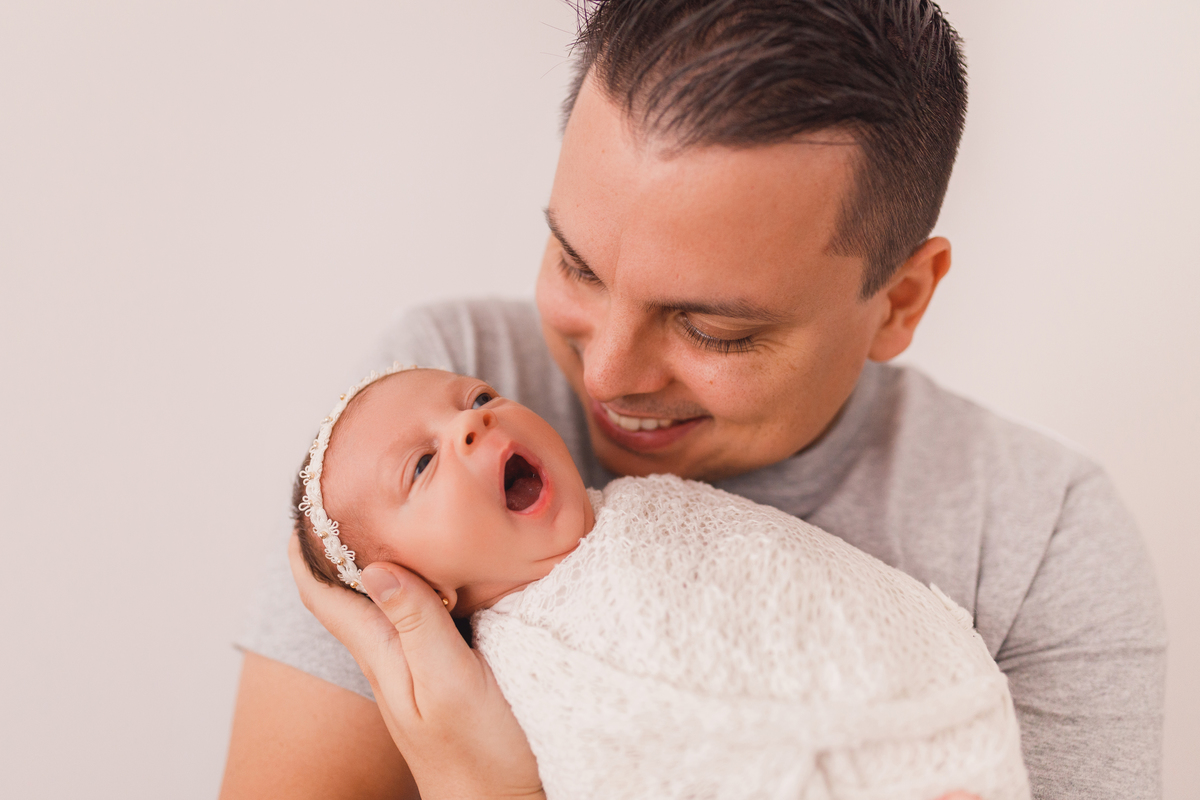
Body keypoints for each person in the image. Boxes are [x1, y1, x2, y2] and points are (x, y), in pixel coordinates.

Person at [220, 2, 1166, 799]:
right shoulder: (426, 395)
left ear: (901, 301)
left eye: (712, 329)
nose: (605, 377)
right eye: (576, 266)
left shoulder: (1037, 541)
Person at [293, 364, 1029, 799]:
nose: (470, 428)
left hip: (938, 705)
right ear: (420, 589)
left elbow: (785, 575)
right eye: (420, 466)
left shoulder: (654, 504)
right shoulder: (523, 674)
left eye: (478, 399)